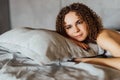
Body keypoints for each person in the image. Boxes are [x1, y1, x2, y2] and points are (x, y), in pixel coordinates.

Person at [56, 3, 120, 70]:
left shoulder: (101, 37)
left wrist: (86, 61)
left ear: (89, 21)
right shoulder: (89, 38)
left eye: (79, 22)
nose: (76, 30)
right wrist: (70, 40)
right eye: (69, 27)